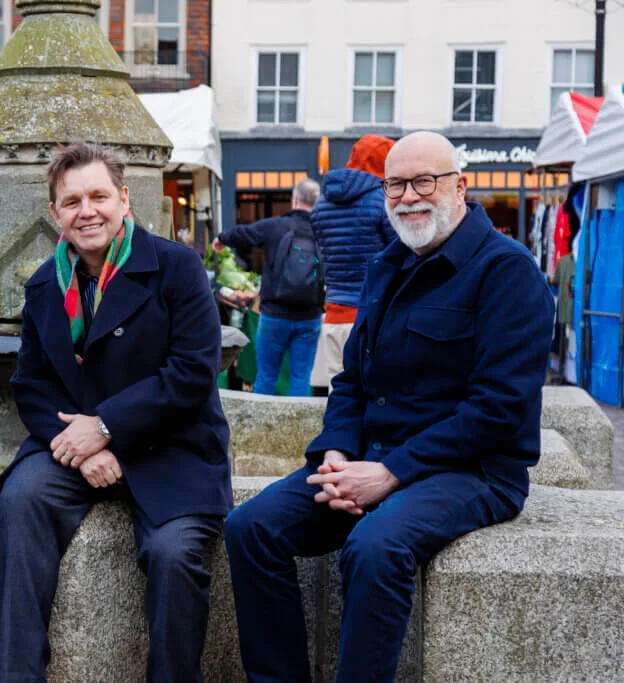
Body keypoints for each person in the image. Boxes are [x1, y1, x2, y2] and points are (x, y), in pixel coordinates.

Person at [224, 131, 554, 683]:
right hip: (370, 455)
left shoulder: (508, 272)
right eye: (395, 184)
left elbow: (500, 408)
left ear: (459, 187)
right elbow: (352, 380)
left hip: (472, 469)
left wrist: (390, 472)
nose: (408, 196)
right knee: (250, 528)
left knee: (373, 549)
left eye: (424, 181)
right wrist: (334, 450)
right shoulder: (388, 263)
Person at [0, 142, 232, 682]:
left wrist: (107, 429)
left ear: (124, 199)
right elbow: (31, 385)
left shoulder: (177, 268)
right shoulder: (43, 286)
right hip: (72, 447)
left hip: (172, 446)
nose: (87, 210)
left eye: (98, 195)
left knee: (174, 556)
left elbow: (193, 373)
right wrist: (83, 451)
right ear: (55, 214)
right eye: (71, 201)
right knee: (19, 501)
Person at [213, 178, 323, 396]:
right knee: (301, 377)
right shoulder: (322, 231)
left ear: (294, 200)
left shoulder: (275, 226)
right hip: (310, 316)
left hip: (274, 314)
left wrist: (220, 240)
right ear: (317, 202)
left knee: (266, 375)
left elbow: (242, 234)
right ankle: (299, 429)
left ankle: (262, 428)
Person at [309, 134, 397, 392]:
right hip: (371, 315)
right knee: (377, 394)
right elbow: (399, 254)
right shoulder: (382, 200)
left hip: (333, 315)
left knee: (340, 393)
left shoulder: (322, 203)